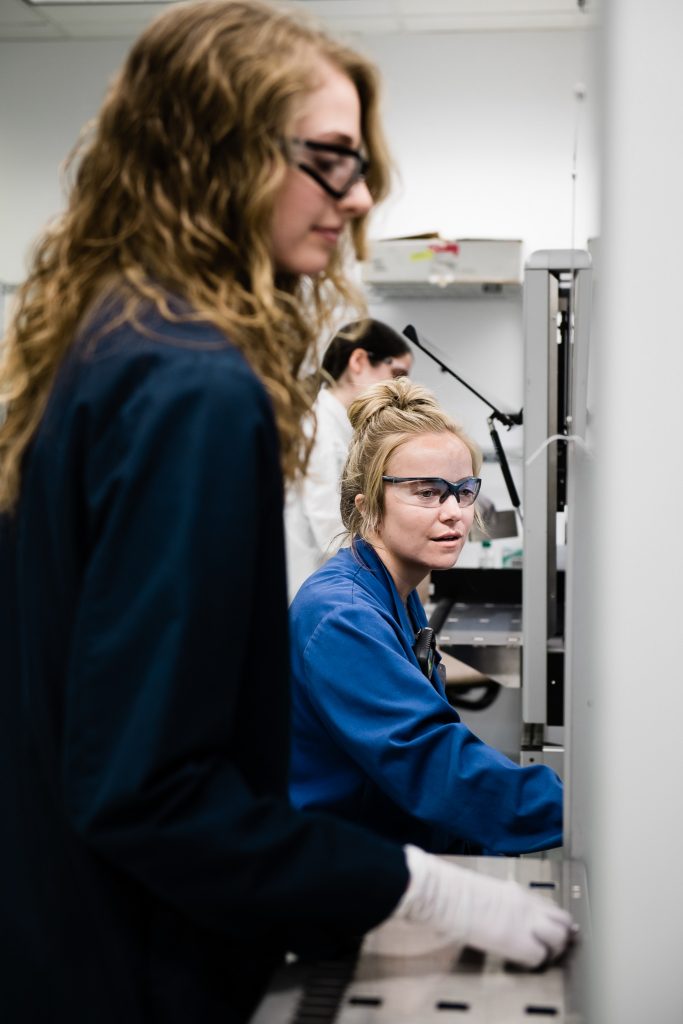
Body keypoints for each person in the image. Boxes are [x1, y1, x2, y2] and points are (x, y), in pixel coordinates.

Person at [0, 3, 574, 1022]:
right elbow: (147, 787)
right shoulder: (189, 386)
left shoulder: (104, 346)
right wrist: (406, 884)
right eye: (328, 160)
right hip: (137, 963)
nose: (354, 201)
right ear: (213, 149)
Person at [289, 377, 564, 856]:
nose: (454, 512)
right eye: (427, 492)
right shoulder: (340, 617)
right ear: (368, 505)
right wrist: (588, 811)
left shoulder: (394, 588)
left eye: (462, 491)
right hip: (339, 874)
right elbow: (433, 764)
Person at [285, 317, 412, 600]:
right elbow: (332, 533)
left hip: (334, 588)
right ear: (358, 361)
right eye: (396, 374)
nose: (398, 387)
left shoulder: (340, 428)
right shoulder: (319, 430)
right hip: (318, 590)